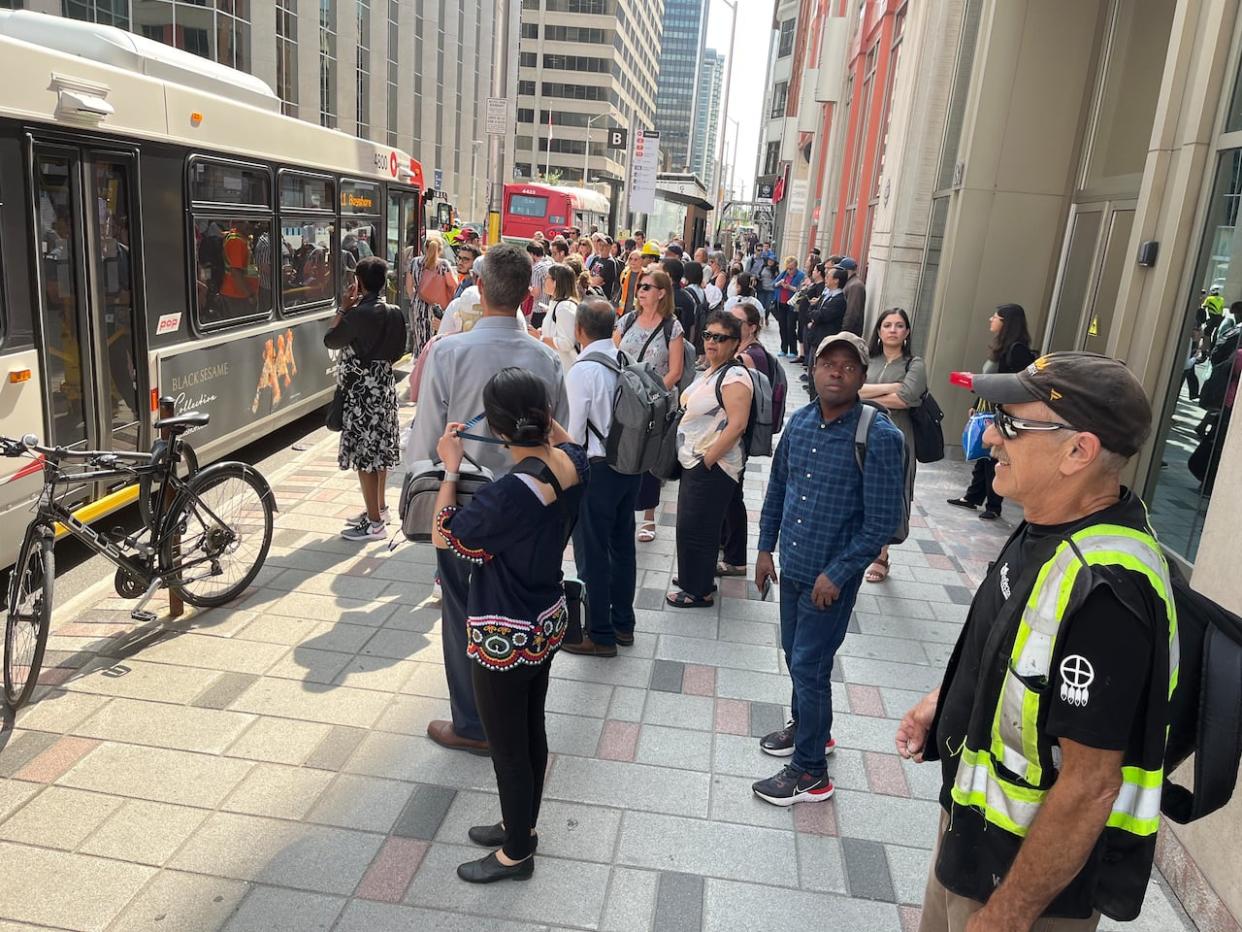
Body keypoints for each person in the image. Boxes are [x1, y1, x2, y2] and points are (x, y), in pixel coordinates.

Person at [896, 353, 1175, 932]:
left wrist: (1008, 914)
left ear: (1079, 452)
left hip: (1023, 886)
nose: (991, 435)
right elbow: (1009, 652)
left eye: (1014, 423)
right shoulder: (1046, 525)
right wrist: (942, 699)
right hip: (971, 845)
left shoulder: (1107, 593)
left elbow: (1092, 784)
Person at [409, 242, 570, 754]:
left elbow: (429, 439)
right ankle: (517, 718)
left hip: (467, 498)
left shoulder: (449, 351)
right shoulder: (546, 358)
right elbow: (557, 441)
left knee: (461, 611)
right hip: (529, 504)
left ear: (478, 288)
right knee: (522, 607)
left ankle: (473, 722)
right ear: (529, 294)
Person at [432, 368, 587, 884]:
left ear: (497, 431)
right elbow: (564, 439)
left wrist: (450, 467)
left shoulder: (510, 494)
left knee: (507, 747)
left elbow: (447, 536)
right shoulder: (569, 464)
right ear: (546, 417)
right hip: (543, 619)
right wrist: (543, 423)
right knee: (530, 729)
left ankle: (516, 852)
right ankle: (520, 824)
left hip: (504, 631)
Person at [752, 333, 906, 805]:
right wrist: (763, 550)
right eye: (827, 363)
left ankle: (810, 771)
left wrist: (838, 574)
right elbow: (778, 489)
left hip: (829, 582)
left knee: (809, 663)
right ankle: (809, 728)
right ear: (814, 370)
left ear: (861, 376)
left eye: (848, 366)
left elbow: (880, 522)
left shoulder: (879, 436)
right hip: (794, 565)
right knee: (794, 652)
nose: (836, 372)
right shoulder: (799, 423)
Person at [562, 297, 643, 657]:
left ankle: (599, 633)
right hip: (629, 466)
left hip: (596, 471)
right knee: (622, 546)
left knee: (592, 551)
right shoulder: (623, 359)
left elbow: (572, 434)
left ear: (579, 329)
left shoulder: (582, 370)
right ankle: (623, 623)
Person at [667, 311, 753, 608]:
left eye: (720, 338)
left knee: (700, 528)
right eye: (707, 335)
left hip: (714, 464)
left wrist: (708, 459)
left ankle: (699, 590)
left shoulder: (736, 376)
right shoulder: (713, 370)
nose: (711, 342)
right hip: (695, 459)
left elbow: (738, 424)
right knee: (690, 525)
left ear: (734, 343)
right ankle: (693, 577)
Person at [324, 257, 402, 541]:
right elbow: (399, 350)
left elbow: (331, 339)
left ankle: (374, 524)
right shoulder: (395, 311)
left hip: (361, 394)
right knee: (380, 453)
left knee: (364, 459)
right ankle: (380, 509)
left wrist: (343, 308)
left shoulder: (356, 315)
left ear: (359, 282)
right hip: (384, 387)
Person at [947, 303, 1037, 520]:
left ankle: (994, 506)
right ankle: (973, 497)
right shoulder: (1002, 347)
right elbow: (992, 382)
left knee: (993, 457)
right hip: (988, 409)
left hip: (1003, 412)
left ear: (1006, 323)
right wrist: (977, 401)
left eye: (995, 317)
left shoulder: (1017, 350)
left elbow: (1014, 386)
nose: (990, 319)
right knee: (983, 453)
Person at [615, 268, 686, 543]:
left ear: (661, 293)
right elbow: (614, 356)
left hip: (656, 404)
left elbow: (676, 370)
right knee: (621, 454)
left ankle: (648, 516)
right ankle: (622, 509)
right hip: (626, 401)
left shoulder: (672, 326)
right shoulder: (627, 320)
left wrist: (652, 396)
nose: (641, 291)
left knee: (649, 461)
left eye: (647, 286)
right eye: (640, 286)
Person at [859, 308, 927, 583]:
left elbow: (908, 397)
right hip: (862, 432)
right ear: (878, 330)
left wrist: (866, 393)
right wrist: (892, 387)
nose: (893, 330)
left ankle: (881, 555)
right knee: (857, 488)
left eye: (899, 326)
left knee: (890, 493)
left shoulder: (915, 364)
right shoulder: (867, 359)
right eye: (887, 325)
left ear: (907, 332)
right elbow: (853, 389)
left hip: (898, 437)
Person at [718, 296, 772, 577]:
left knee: (731, 495)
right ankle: (728, 547)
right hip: (740, 436)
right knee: (731, 494)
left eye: (737, 321)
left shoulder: (748, 357)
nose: (731, 324)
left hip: (736, 436)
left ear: (751, 327)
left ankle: (736, 556)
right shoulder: (753, 351)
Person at [405, 237, 457, 359]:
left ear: (424, 248)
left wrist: (416, 299)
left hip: (419, 307)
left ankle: (420, 365)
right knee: (437, 338)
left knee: (421, 339)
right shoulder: (443, 265)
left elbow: (409, 286)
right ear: (440, 250)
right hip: (438, 309)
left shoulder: (414, 262)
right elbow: (453, 284)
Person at [536, 263, 579, 370]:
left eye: (546, 278)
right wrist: (542, 331)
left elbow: (567, 343)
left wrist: (540, 338)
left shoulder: (564, 307)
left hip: (565, 370)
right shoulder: (557, 303)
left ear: (555, 282)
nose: (544, 281)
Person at [773, 257, 805, 357]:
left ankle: (793, 350)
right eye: (788, 268)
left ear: (796, 267)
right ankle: (783, 348)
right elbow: (774, 284)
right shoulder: (783, 274)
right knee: (782, 326)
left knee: (790, 327)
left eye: (791, 269)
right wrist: (780, 283)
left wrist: (789, 287)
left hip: (792, 305)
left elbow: (801, 290)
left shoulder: (800, 276)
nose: (789, 271)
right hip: (781, 303)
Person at [838, 257, 866, 336]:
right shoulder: (850, 283)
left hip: (849, 333)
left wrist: (844, 330)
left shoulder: (855, 285)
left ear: (846, 271)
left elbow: (852, 311)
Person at [618, 248, 645, 316]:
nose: (632, 261)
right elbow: (621, 289)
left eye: (636, 259)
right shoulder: (625, 272)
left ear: (642, 261)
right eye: (631, 259)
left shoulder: (645, 274)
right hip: (624, 311)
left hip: (639, 311)